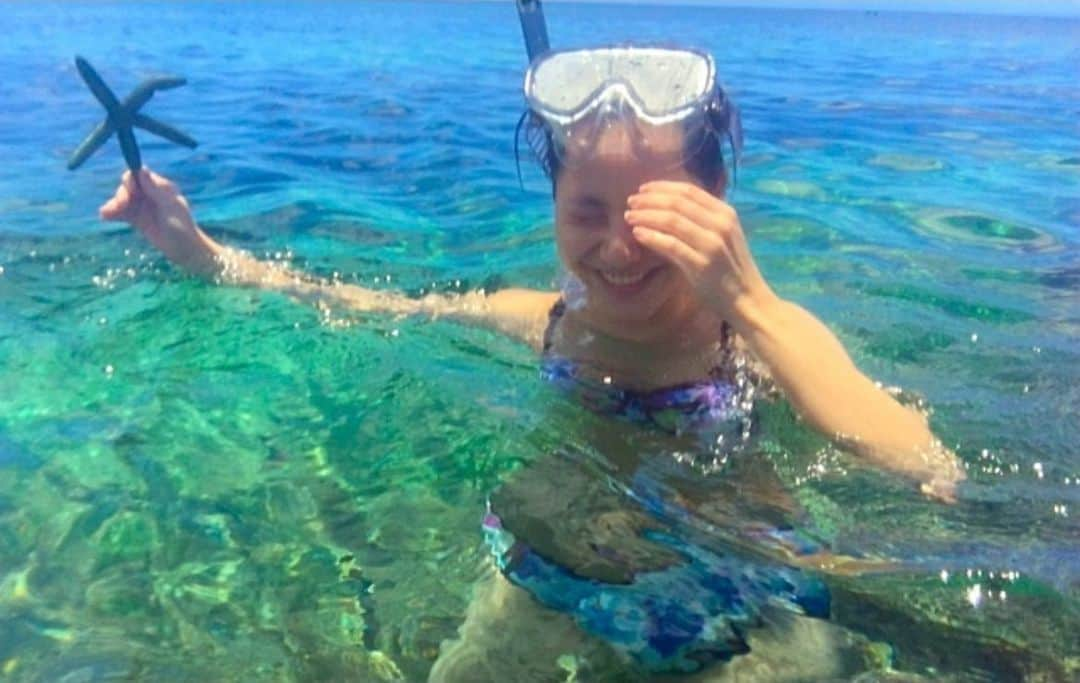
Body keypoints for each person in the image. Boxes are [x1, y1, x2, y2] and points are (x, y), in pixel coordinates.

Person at [99, 46, 964, 682]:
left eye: (653, 212)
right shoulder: (544, 323)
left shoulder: (758, 337)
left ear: (716, 209)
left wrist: (754, 299)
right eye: (587, 209)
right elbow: (364, 304)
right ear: (552, 204)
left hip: (747, 597)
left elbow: (925, 465)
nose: (619, 245)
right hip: (556, 572)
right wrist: (204, 251)